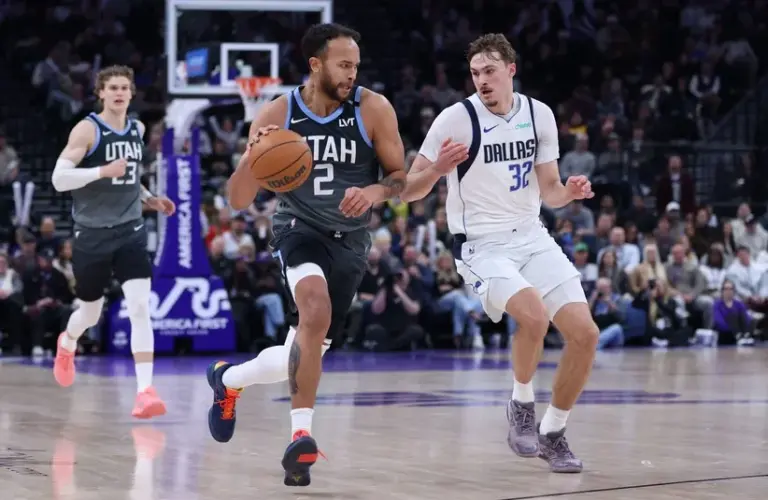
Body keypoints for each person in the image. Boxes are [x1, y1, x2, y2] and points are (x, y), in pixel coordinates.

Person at [207, 23, 406, 487]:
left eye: (355, 64)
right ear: (315, 64)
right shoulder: (279, 113)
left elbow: (401, 179)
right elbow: (238, 199)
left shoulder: (373, 109)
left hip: (351, 242)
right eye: (343, 64)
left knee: (303, 348)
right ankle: (301, 441)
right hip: (299, 229)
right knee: (312, 312)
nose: (351, 73)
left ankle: (229, 379)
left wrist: (376, 190)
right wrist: (252, 155)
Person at [400, 33, 599, 473]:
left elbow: (549, 189)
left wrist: (569, 191)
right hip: (481, 244)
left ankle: (553, 432)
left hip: (531, 235)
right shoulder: (455, 119)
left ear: (511, 69)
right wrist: (437, 168)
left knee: (586, 336)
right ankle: (521, 403)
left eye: (489, 70)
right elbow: (409, 190)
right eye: (474, 73)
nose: (482, 80)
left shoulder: (539, 115)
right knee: (533, 316)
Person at [50, 65, 176, 418]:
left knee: (139, 307)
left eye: (125, 87)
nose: (119, 93)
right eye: (112, 88)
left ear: (132, 93)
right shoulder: (88, 129)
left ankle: (145, 391)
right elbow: (59, 179)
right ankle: (68, 341)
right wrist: (101, 171)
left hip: (130, 231)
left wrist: (150, 198)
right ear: (101, 93)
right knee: (90, 312)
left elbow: (131, 178)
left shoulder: (136, 128)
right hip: (91, 235)